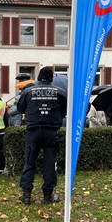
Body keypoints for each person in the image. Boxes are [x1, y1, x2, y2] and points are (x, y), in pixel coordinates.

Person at [18, 67, 66, 205]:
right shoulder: (60, 92)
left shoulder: (28, 91)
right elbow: (65, 110)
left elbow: (21, 108)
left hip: (33, 131)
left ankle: (26, 195)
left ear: (39, 77)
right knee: (50, 163)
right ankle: (48, 195)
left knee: (29, 162)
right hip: (51, 132)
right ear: (51, 78)